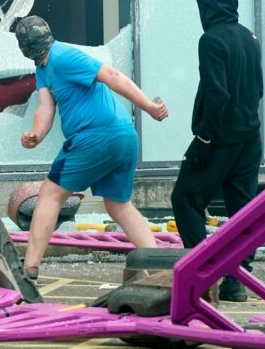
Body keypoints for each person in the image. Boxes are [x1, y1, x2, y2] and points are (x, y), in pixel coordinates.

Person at [14, 15, 169, 281]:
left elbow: (111, 75)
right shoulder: (44, 69)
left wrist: (149, 107)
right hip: (123, 137)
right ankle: (160, 272)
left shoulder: (63, 56)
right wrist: (36, 134)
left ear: (23, 47)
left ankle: (29, 269)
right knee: (119, 205)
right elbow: (45, 107)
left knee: (50, 194)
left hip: (95, 136)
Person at [171, 0, 263, 302]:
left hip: (221, 138)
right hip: (250, 138)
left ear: (207, 6)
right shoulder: (249, 37)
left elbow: (217, 93)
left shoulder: (211, 39)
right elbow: (258, 90)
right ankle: (236, 282)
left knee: (186, 199)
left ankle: (201, 273)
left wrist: (204, 140)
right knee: (241, 211)